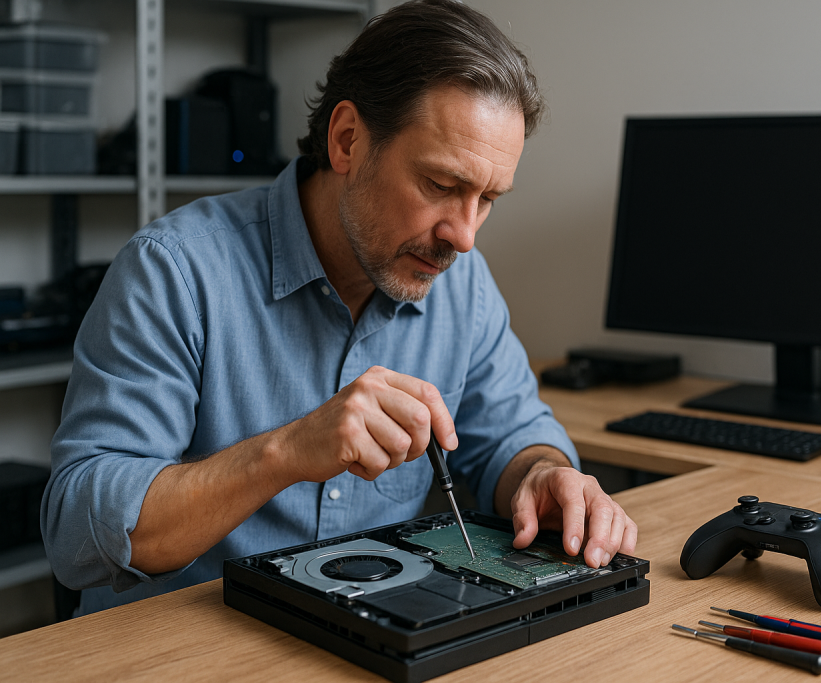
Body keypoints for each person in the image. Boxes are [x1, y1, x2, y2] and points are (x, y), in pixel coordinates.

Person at [42, 0, 637, 616]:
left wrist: (541, 473)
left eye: (487, 198)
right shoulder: (174, 270)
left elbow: (512, 434)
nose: (465, 235)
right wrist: (286, 452)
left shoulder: (464, 286)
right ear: (348, 139)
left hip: (362, 642)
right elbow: (76, 537)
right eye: (441, 185)